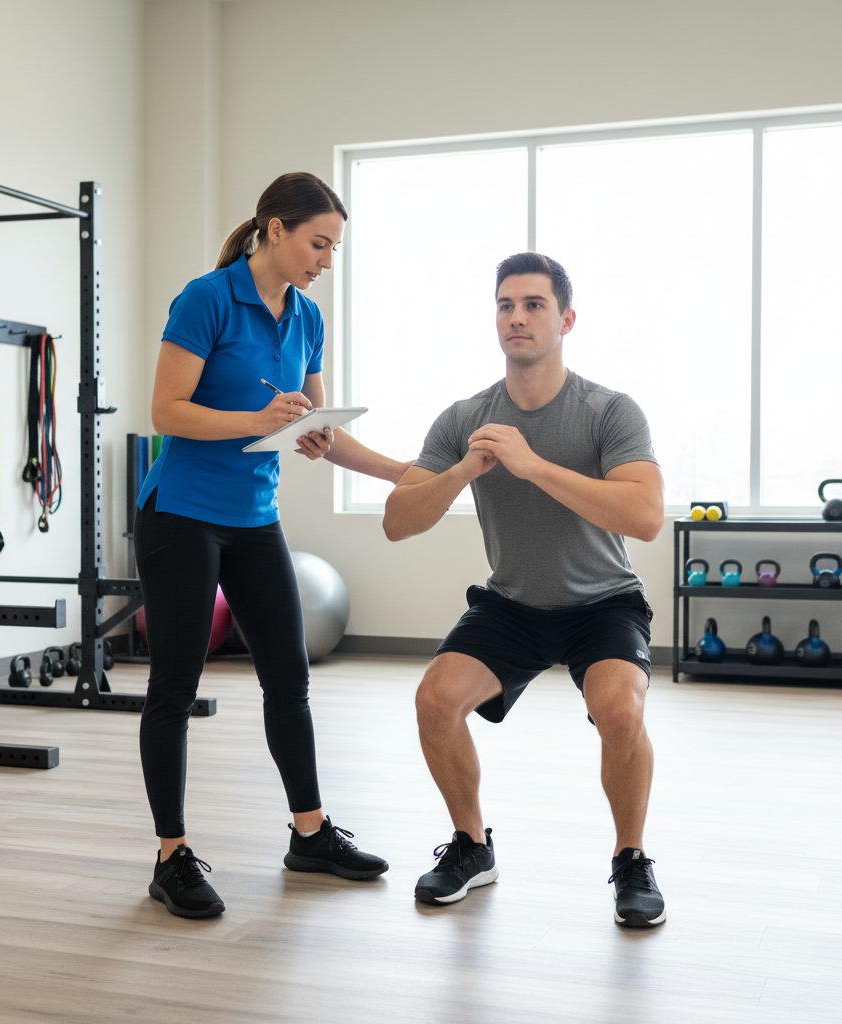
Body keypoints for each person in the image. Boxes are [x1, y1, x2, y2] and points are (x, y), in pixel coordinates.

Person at [135, 172, 409, 918]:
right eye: (318, 242)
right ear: (276, 229)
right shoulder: (207, 298)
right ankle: (171, 856)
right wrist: (261, 417)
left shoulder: (307, 319)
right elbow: (167, 411)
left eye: (333, 247)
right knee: (175, 689)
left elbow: (315, 426)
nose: (325, 258)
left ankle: (310, 834)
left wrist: (398, 471)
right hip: (183, 514)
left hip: (255, 518)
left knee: (289, 680)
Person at [382, 252, 666, 927]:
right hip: (512, 604)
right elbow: (399, 521)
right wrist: (462, 472)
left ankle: (631, 858)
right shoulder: (466, 417)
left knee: (621, 713)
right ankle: (471, 846)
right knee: (434, 701)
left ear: (566, 319)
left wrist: (533, 466)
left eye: (533, 305)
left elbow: (646, 517)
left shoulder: (608, 411)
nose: (517, 317)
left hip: (603, 603)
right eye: (505, 305)